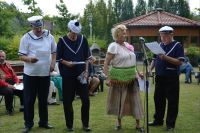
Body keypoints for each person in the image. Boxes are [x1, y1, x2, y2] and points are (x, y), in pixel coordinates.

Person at [18, 15, 56, 133]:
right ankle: (28, 124)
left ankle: (43, 122)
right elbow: (21, 56)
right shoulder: (26, 38)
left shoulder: (49, 36)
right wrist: (30, 59)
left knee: (43, 99)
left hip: (45, 74)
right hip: (30, 75)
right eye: (36, 28)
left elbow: (54, 52)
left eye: (40, 27)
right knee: (29, 100)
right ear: (31, 26)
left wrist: (53, 64)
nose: (39, 30)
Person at [103, 24, 144, 132]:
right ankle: (118, 123)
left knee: (135, 101)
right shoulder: (113, 46)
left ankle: (138, 124)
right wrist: (107, 78)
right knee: (120, 101)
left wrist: (138, 72)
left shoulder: (128, 45)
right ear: (117, 34)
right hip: (118, 79)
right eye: (123, 33)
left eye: (125, 33)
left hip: (132, 77)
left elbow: (132, 61)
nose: (125, 35)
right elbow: (106, 63)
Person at [56, 19, 95, 132]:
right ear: (69, 30)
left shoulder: (83, 39)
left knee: (86, 100)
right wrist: (67, 63)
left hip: (81, 74)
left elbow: (87, 57)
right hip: (68, 75)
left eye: (76, 34)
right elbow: (59, 58)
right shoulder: (62, 41)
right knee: (68, 101)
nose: (74, 36)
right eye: (73, 33)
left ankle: (85, 124)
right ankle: (69, 125)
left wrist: (87, 71)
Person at [148, 26, 184, 131]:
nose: (163, 38)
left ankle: (170, 124)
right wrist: (150, 68)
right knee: (158, 99)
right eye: (161, 36)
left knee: (172, 101)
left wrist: (165, 58)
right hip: (159, 77)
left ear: (171, 35)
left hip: (171, 77)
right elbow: (154, 59)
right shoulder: (159, 45)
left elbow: (180, 62)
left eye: (165, 36)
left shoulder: (178, 45)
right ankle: (158, 120)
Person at [0, 50, 24, 115]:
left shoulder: (7, 64)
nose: (1, 58)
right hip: (2, 85)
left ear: (5, 57)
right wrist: (8, 85)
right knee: (9, 91)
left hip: (11, 82)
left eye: (3, 56)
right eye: (0, 56)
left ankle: (23, 106)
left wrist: (17, 82)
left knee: (23, 88)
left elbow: (14, 75)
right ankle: (9, 109)